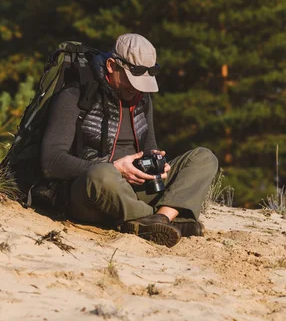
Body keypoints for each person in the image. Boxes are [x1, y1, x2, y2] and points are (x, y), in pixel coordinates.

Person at [40, 33, 219, 247]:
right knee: (103, 174)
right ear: (111, 65)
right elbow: (51, 162)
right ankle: (159, 220)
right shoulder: (75, 95)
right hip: (92, 193)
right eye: (130, 80)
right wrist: (115, 168)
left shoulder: (142, 98)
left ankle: (159, 219)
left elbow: (148, 148)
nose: (136, 88)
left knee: (204, 157)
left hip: (133, 191)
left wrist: (156, 164)